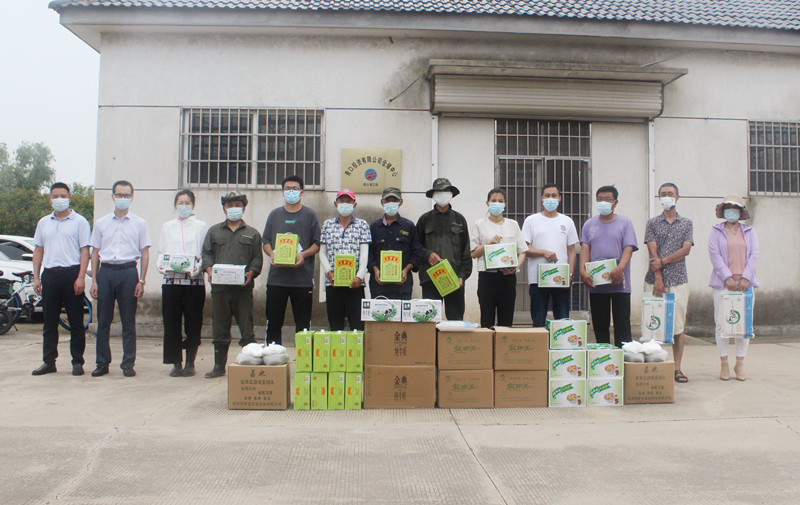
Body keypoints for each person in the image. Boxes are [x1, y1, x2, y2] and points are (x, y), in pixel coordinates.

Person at [89, 180, 151, 377]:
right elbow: (95, 252)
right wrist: (94, 280)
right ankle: (102, 363)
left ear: (132, 197)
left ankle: (128, 363)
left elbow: (145, 253)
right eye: (119, 195)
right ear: (112, 196)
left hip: (128, 272)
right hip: (106, 272)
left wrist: (141, 280)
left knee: (128, 321)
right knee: (103, 321)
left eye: (126, 195)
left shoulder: (140, 223)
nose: (122, 198)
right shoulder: (102, 223)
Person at [30, 182, 91, 376]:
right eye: (55, 196)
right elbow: (38, 250)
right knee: (49, 321)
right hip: (50, 274)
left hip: (71, 274)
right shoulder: (43, 223)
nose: (59, 199)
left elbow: (85, 251)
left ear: (69, 197)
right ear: (50, 199)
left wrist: (81, 277)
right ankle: (49, 362)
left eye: (63, 196)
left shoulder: (80, 222)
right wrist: (36, 277)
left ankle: (77, 362)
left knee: (75, 321)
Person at [201, 191, 263, 378]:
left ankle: (250, 364)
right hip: (220, 289)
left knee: (247, 327)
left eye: (237, 205)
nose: (233, 208)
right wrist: (209, 270)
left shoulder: (252, 233)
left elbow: (257, 258)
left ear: (243, 208)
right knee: (220, 327)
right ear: (224, 208)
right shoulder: (214, 231)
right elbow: (207, 253)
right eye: (229, 205)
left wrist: (252, 272)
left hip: (243, 289)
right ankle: (219, 366)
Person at [644, 182, 694, 383]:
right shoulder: (652, 223)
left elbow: (686, 249)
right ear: (659, 198)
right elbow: (652, 251)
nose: (667, 196)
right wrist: (658, 278)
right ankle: (654, 366)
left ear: (677, 197)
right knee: (653, 324)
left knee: (678, 327)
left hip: (679, 279)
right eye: (663, 194)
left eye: (670, 193)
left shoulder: (687, 223)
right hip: (654, 280)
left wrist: (663, 261)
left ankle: (677, 368)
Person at [262, 175, 320, 344]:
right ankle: (274, 356)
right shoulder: (274, 214)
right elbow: (266, 241)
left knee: (303, 326)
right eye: (287, 189)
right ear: (283, 191)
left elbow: (317, 244)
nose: (291, 192)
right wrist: (271, 254)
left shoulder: (310, 215)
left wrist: (303, 255)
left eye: (295, 188)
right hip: (277, 279)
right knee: (273, 323)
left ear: (302, 192)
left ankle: (303, 358)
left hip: (302, 280)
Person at [579, 186, 638, 347]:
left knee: (622, 327)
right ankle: (603, 358)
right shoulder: (589, 224)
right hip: (597, 285)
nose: (603, 202)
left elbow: (628, 248)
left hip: (620, 283)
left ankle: (624, 358)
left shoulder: (625, 223)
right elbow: (585, 249)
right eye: (600, 199)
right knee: (600, 326)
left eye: (607, 199)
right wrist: (582, 270)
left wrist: (620, 268)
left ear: (615, 202)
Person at [158, 189, 208, 377]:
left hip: (194, 282)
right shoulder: (167, 226)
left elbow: (204, 253)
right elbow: (161, 252)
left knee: (193, 322)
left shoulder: (201, 226)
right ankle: (175, 362)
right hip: (171, 281)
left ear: (193, 205)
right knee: (171, 322)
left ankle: (190, 361)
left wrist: (197, 268)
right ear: (175, 205)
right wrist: (160, 266)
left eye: (187, 203)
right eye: (180, 203)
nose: (184, 206)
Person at [708, 195, 758, 381]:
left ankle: (740, 363)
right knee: (722, 323)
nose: (731, 211)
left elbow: (754, 255)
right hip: (723, 284)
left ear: (741, 211)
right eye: (728, 207)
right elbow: (714, 254)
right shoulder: (716, 231)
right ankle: (724, 363)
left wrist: (746, 277)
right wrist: (727, 277)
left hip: (745, 284)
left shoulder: (749, 231)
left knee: (743, 325)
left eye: (735, 208)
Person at [470, 188, 528, 328]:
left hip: (508, 277)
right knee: (487, 318)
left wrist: (516, 267)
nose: (497, 203)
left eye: (500, 201)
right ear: (487, 203)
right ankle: (487, 342)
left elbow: (522, 251)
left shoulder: (513, 224)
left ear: (505, 203)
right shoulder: (479, 224)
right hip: (487, 277)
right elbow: (473, 253)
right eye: (493, 200)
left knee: (506, 319)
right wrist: (488, 243)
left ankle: (504, 341)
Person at [522, 183, 578, 327]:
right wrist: (543, 252)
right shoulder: (531, 220)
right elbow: (524, 248)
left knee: (563, 321)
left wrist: (570, 275)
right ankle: (539, 341)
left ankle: (561, 343)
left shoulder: (567, 221)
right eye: (547, 195)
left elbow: (572, 251)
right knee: (538, 320)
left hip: (561, 277)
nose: (550, 198)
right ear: (542, 198)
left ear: (559, 198)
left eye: (554, 195)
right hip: (538, 278)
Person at [416, 178, 472, 320]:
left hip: (454, 279)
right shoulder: (424, 220)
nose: (442, 194)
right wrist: (428, 254)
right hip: (430, 279)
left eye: (446, 191)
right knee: (430, 321)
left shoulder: (459, 220)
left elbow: (466, 251)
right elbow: (416, 246)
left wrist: (462, 276)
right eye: (439, 191)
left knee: (455, 321)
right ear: (433, 195)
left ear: (451, 194)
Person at [319, 189, 371, 331]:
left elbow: (365, 254)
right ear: (336, 204)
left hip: (355, 284)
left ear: (354, 204)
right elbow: (322, 253)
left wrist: (359, 276)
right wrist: (329, 272)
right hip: (333, 283)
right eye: (342, 201)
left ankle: (356, 347)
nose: (345, 204)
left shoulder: (362, 225)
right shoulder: (327, 225)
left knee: (357, 327)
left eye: (349, 201)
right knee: (335, 326)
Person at [367, 187, 422, 300]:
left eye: (394, 200)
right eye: (387, 200)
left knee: (401, 312)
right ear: (382, 202)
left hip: (403, 286)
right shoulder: (374, 227)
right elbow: (368, 253)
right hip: (378, 286)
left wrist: (406, 270)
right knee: (379, 312)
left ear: (400, 202)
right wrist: (375, 270)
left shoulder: (409, 226)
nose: (391, 203)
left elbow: (417, 253)